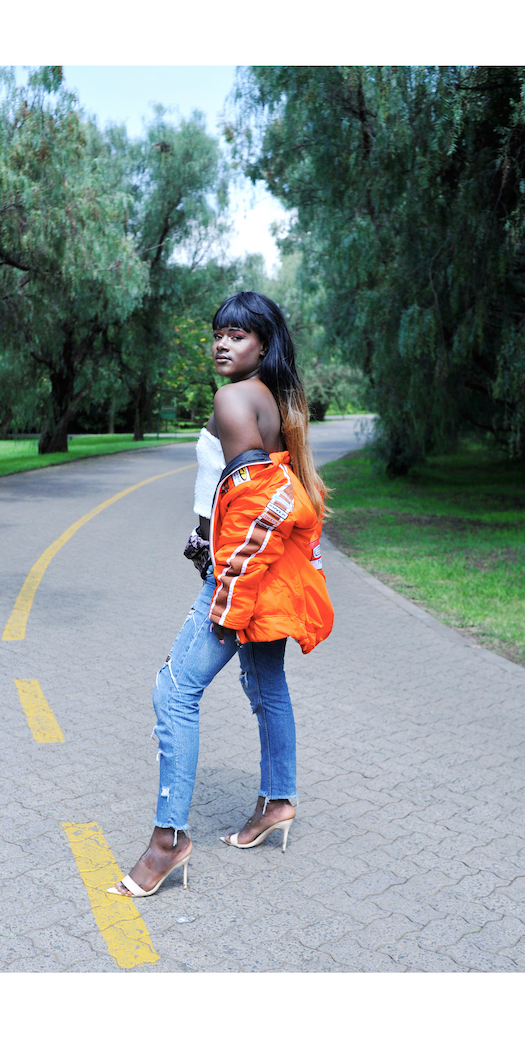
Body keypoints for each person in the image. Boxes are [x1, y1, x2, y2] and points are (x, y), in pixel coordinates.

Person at [109, 290, 336, 899]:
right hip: (257, 570)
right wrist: (201, 535)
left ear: (263, 343)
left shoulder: (233, 398)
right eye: (218, 333)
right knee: (266, 686)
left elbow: (260, 505)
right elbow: (243, 489)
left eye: (237, 335)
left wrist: (227, 593)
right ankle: (277, 802)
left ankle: (168, 843)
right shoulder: (275, 399)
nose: (222, 344)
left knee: (175, 688)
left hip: (240, 576)